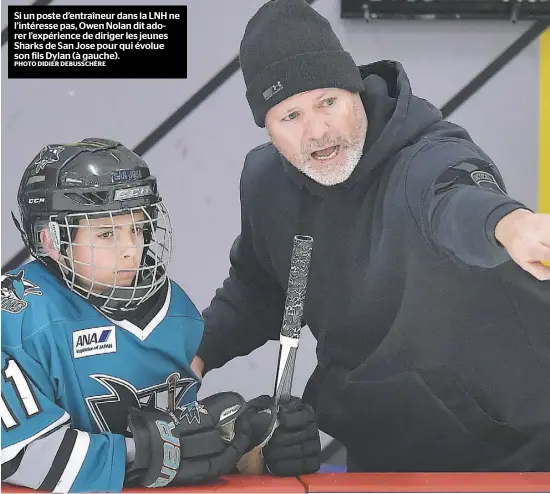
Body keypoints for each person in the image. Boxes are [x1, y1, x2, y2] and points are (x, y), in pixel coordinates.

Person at [191, 0, 550, 473]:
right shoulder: (266, 183)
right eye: (290, 116)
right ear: (267, 127)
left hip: (514, 448)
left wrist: (512, 224)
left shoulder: (423, 155)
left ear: (354, 89)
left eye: (328, 102)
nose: (318, 131)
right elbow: (258, 289)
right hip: (385, 452)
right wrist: (191, 356)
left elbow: (454, 195)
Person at [1, 138, 321, 493]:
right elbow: (14, 456)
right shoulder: (15, 317)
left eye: (137, 228)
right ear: (50, 240)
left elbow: (177, 448)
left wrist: (248, 449)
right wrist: (147, 452)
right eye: (107, 233)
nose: (130, 251)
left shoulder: (173, 310)